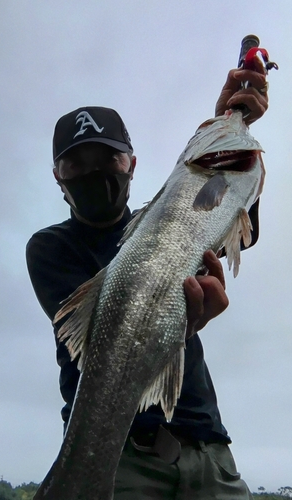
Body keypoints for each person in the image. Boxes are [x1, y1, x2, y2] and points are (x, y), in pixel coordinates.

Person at [26, 67, 268, 499]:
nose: (93, 172)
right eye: (76, 164)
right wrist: (180, 320)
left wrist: (231, 122)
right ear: (57, 177)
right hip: (121, 457)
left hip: (208, 445)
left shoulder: (164, 215)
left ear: (132, 165)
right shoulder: (49, 248)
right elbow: (102, 337)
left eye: (108, 159)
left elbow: (220, 211)